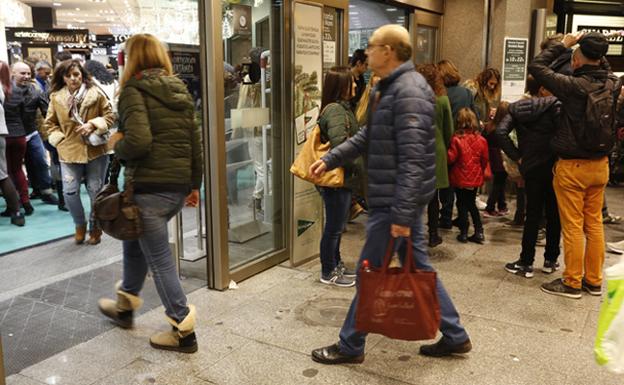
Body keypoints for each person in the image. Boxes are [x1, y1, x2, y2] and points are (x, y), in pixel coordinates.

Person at [309, 25, 471, 364]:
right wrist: (329, 158)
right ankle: (455, 334)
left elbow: (413, 160)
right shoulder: (391, 88)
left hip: (395, 204)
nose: (366, 52)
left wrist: (400, 216)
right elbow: (368, 135)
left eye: (371, 46)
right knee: (417, 268)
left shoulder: (408, 91)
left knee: (370, 271)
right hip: (396, 202)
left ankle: (351, 345)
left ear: (389, 51)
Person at [97, 33, 202, 353]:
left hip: (149, 191)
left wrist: (117, 144)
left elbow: (138, 142)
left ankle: (184, 331)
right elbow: (195, 143)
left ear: (130, 59)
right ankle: (126, 306)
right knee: (134, 244)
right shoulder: (178, 89)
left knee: (159, 262)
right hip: (176, 188)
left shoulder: (132, 90)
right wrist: (194, 185)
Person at [529, 32, 622, 298]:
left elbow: (537, 67)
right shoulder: (613, 84)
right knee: (593, 224)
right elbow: (602, 67)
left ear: (578, 58)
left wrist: (564, 44)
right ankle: (593, 281)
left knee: (572, 226)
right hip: (600, 165)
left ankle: (572, 281)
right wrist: (594, 46)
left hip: (573, 167)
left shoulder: (573, 86)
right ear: (601, 58)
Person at [44, 59, 114, 245]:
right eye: (69, 75)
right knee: (69, 191)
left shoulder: (95, 93)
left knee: (95, 190)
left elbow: (110, 117)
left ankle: (95, 226)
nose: (73, 78)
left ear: (82, 74)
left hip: (95, 150)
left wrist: (93, 124)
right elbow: (49, 124)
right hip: (68, 151)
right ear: (63, 78)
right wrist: (59, 139)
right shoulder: (56, 97)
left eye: (76, 74)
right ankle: (79, 225)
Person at [497, 75, 561, 278]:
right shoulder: (557, 107)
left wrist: (518, 156)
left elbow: (500, 132)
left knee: (532, 214)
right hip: (553, 166)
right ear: (543, 89)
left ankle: (526, 262)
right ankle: (551, 260)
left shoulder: (516, 108)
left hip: (531, 167)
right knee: (553, 213)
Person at [315, 67, 362, 287]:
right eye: (351, 82)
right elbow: (340, 145)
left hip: (341, 178)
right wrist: (359, 164)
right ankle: (328, 271)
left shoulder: (342, 108)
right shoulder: (335, 110)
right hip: (336, 179)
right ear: (341, 85)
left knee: (336, 226)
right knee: (333, 227)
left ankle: (336, 263)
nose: (354, 86)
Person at [436, 59, 478, 229]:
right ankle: (462, 218)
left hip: (446, 142)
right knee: (459, 181)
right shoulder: (466, 93)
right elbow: (474, 116)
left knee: (445, 183)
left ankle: (445, 216)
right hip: (464, 141)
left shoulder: (440, 94)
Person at [10, 62, 59, 206]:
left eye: (28, 74)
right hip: (11, 135)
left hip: (31, 132)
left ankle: (45, 192)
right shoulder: (5, 90)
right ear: (13, 73)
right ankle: (16, 197)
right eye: (22, 73)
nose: (26, 76)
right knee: (14, 167)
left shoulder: (36, 91)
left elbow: (47, 112)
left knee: (40, 161)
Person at [416, 64, 453, 247]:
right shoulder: (442, 101)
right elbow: (449, 131)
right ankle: (433, 234)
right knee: (433, 196)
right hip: (435, 150)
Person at [447, 108, 488, 244]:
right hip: (475, 177)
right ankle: (479, 231)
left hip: (459, 177)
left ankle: (464, 233)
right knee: (471, 203)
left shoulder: (456, 139)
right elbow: (484, 159)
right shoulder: (481, 140)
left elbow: (451, 158)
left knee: (461, 203)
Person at [0, 61, 24, 226]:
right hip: (5, 133)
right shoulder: (5, 88)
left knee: (3, 174)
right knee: (4, 173)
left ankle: (16, 212)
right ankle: (15, 210)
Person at [483, 102, 509, 217]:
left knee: (499, 182)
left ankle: (502, 206)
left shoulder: (489, 126)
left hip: (491, 157)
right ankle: (490, 207)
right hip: (501, 157)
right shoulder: (503, 129)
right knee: (499, 183)